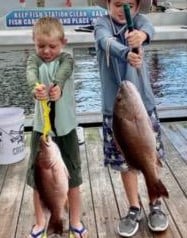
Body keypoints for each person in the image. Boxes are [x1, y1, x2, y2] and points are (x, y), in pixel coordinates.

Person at [94, 0, 169, 237]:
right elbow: (103, 40)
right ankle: (134, 206)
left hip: (143, 108)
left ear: (136, 7)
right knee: (126, 162)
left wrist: (142, 37)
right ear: (107, 4)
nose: (121, 8)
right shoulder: (101, 24)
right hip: (115, 114)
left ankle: (155, 203)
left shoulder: (138, 23)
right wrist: (126, 52)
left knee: (151, 157)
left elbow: (150, 28)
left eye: (128, 4)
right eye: (117, 3)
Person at [26, 16, 88, 238]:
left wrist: (58, 88)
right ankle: (41, 221)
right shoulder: (34, 61)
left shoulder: (67, 60)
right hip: (41, 132)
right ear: (34, 43)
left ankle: (75, 220)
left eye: (52, 46)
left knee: (73, 177)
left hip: (66, 130)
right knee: (37, 180)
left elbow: (64, 73)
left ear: (63, 42)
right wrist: (36, 88)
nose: (46, 51)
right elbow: (31, 74)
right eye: (41, 45)